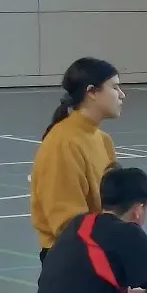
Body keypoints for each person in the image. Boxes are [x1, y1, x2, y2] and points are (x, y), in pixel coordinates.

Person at [29, 58, 121, 260]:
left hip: (102, 247)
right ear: (92, 92)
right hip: (73, 255)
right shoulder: (63, 143)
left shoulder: (103, 140)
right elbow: (67, 223)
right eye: (115, 87)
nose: (121, 95)